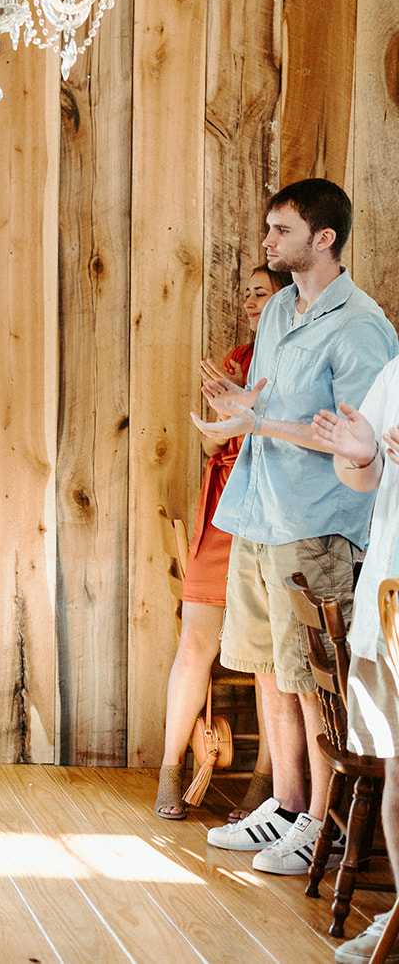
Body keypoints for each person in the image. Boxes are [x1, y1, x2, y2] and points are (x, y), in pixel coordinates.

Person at [193, 178, 398, 877]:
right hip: (260, 508)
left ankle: (320, 824)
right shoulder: (280, 307)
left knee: (312, 679)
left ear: (324, 238)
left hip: (315, 523)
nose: (267, 243)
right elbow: (276, 399)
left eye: (280, 230)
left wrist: (258, 421)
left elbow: (353, 437)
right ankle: (283, 805)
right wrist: (239, 402)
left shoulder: (363, 326)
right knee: (266, 668)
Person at [156, 264, 288, 820]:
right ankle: (170, 769)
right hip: (226, 508)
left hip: (278, 509)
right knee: (195, 643)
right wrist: (219, 419)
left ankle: (266, 783)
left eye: (263, 294)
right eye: (249, 295)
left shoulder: (298, 356)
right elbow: (214, 449)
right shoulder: (238, 357)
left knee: (268, 657)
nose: (252, 302)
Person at [310, 359, 399, 962]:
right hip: (389, 600)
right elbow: (361, 477)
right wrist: (362, 457)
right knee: (396, 778)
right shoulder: (395, 373)